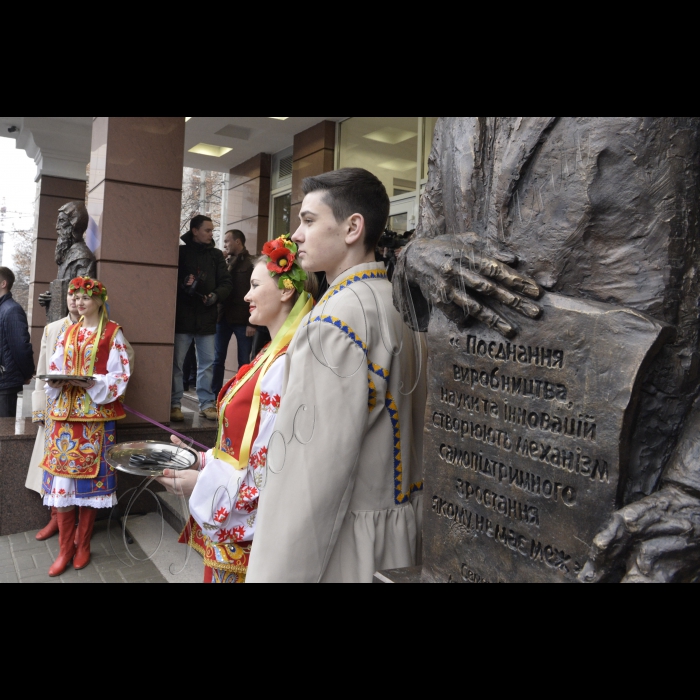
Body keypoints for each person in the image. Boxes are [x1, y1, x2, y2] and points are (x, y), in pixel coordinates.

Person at [246, 168, 426, 584]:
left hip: (346, 549)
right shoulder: (404, 308)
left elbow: (308, 480)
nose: (296, 235)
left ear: (352, 227)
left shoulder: (332, 322)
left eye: (308, 220)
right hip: (402, 539)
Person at [158, 239, 318, 583]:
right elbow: (245, 446)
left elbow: (273, 463)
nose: (246, 296)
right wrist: (199, 459)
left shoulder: (287, 362)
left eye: (255, 286)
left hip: (250, 538)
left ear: (287, 292)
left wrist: (201, 484)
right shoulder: (271, 355)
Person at [41, 277, 132, 577]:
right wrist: (55, 379)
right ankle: (65, 548)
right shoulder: (68, 331)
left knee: (88, 488)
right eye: (75, 297)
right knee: (63, 485)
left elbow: (120, 375)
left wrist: (95, 382)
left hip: (94, 418)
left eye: (85, 297)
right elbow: (56, 364)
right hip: (64, 418)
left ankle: (83, 546)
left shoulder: (112, 332)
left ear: (99, 301)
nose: (78, 302)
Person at [172, 216, 233, 423]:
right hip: (183, 317)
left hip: (207, 319)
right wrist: (184, 283)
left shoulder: (216, 255)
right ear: (195, 230)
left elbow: (226, 283)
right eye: (207, 230)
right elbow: (170, 280)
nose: (211, 234)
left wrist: (215, 296)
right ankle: (174, 404)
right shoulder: (180, 253)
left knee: (207, 364)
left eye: (212, 230)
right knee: (178, 365)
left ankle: (206, 404)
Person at [212, 230, 256, 396]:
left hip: (243, 321)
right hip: (222, 318)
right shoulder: (224, 261)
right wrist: (220, 262)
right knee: (217, 359)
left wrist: (252, 322)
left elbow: (255, 293)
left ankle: (240, 395)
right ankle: (215, 395)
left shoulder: (251, 263)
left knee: (244, 361)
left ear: (238, 242)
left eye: (227, 241)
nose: (224, 245)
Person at [0, 267, 35, 418]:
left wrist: (27, 372)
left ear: (3, 284)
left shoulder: (11, 310)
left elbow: (21, 347)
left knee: (3, 436)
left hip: (5, 384)